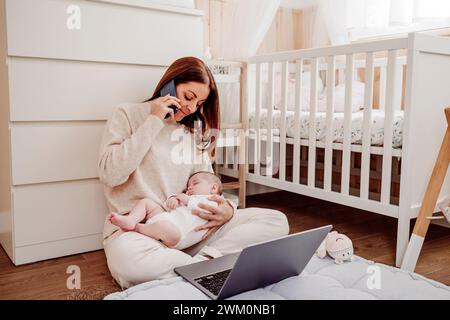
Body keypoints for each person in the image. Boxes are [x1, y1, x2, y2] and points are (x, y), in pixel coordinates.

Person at [98, 56, 289, 289]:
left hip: (192, 230)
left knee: (275, 221)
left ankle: (201, 265)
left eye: (199, 103)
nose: (191, 107)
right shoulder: (127, 115)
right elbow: (110, 174)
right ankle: (211, 266)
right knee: (129, 261)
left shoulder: (192, 130)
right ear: (169, 84)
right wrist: (154, 120)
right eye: (188, 96)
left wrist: (227, 210)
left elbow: (208, 183)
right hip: (143, 234)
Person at [107, 171, 225, 250]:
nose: (189, 187)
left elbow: (206, 209)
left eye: (195, 183)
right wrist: (173, 199)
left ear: (213, 188)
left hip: (177, 234)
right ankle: (131, 219)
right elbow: (167, 207)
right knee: (147, 202)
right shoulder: (187, 197)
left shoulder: (213, 201)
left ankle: (136, 227)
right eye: (189, 185)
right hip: (164, 216)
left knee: (165, 228)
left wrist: (187, 199)